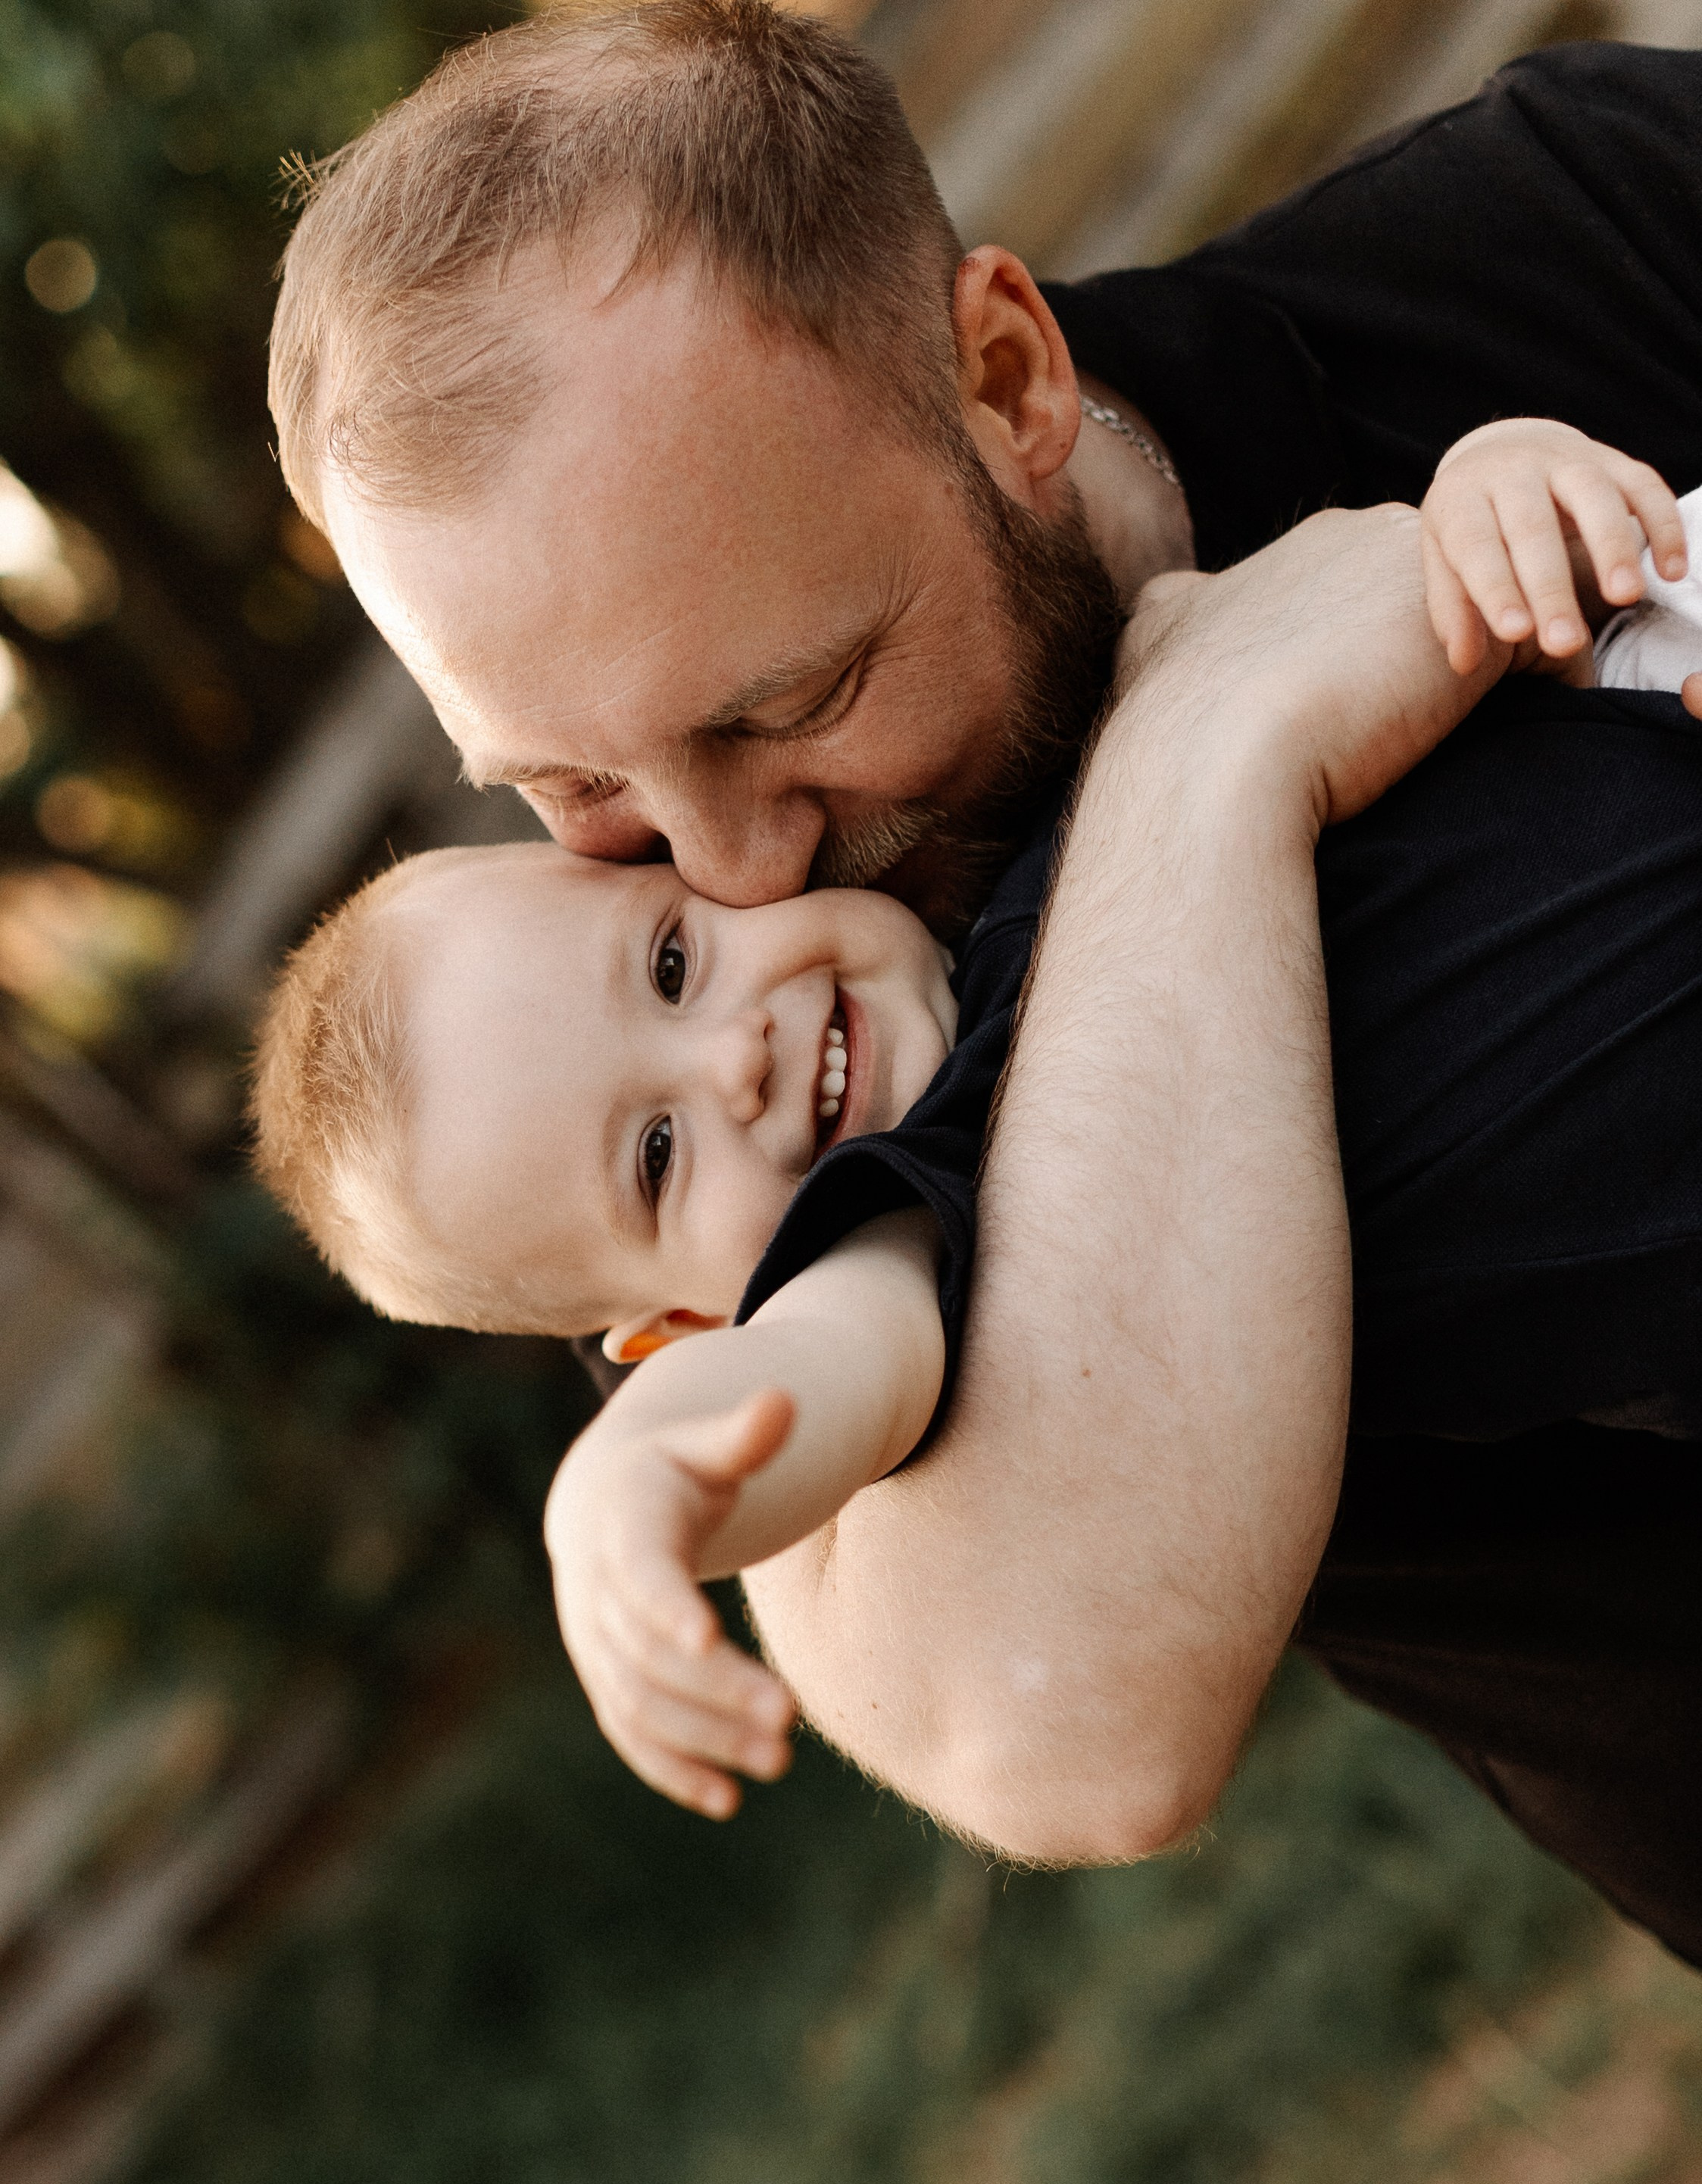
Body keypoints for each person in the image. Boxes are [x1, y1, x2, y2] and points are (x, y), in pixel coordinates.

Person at [265, 4, 1702, 1938]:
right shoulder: (840, 1132)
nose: (738, 868)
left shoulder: (1572, 222)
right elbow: (1045, 1712)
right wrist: (1207, 757)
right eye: (574, 784)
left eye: (796, 703)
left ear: (1009, 377)